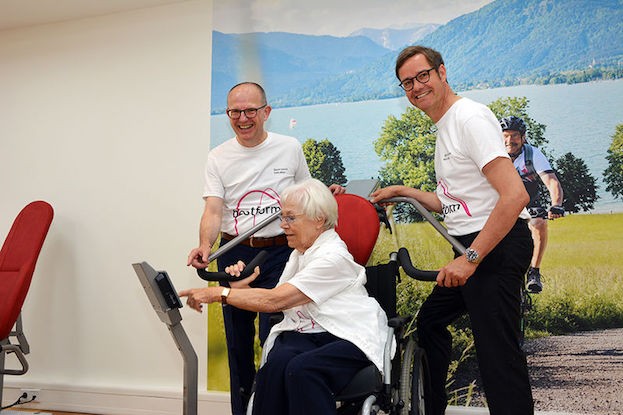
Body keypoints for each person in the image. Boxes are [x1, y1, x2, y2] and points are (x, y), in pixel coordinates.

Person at [370, 46, 534, 415]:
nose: (415, 87)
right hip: (471, 249)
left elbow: (515, 195)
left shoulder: (469, 118)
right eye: (407, 83)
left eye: (422, 76)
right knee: (430, 323)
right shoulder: (446, 125)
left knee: (498, 357)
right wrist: (403, 192)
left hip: (493, 247)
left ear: (442, 72)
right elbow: (457, 202)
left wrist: (471, 259)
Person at [186, 82, 343, 415]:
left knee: (277, 336)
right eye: (234, 112)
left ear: (266, 112)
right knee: (237, 345)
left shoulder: (289, 148)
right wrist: (204, 245)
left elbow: (307, 192)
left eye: (250, 111)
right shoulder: (218, 157)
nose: (242, 118)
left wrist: (327, 193)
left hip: (282, 253)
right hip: (235, 253)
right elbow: (213, 210)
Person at [181, 178, 390, 415]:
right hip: (308, 333)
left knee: (302, 370)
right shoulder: (301, 253)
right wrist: (238, 288)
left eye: (290, 218)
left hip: (345, 334)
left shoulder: (332, 257)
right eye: (282, 217)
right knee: (274, 367)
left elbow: (275, 301)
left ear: (319, 219)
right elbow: (276, 300)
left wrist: (220, 293)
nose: (283, 225)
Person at [500, 116, 564, 293]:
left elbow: (551, 181)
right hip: (500, 205)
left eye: (514, 135)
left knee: (539, 222)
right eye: (505, 135)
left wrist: (556, 204)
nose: (509, 140)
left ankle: (534, 271)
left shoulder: (532, 154)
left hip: (528, 205)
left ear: (523, 137)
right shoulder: (493, 155)